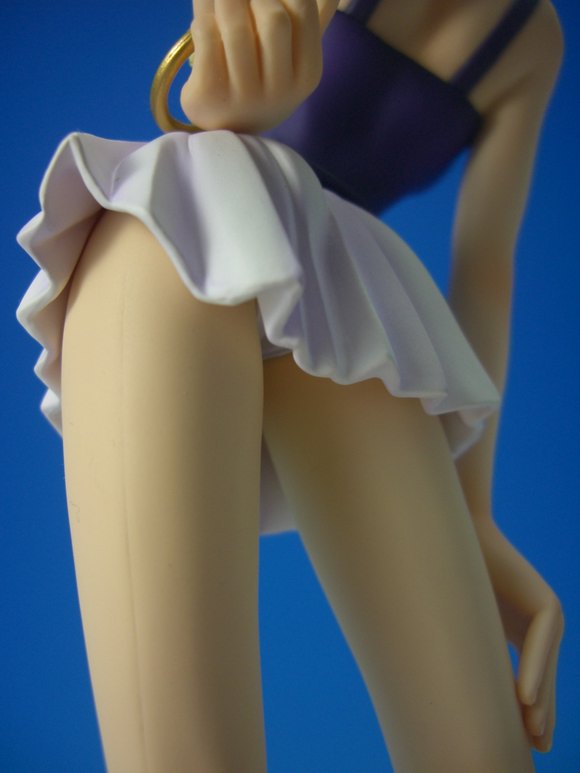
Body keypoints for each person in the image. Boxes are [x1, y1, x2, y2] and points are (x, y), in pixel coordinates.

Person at [16, 0, 564, 770]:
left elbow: (486, 271)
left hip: (348, 300)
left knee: (485, 752)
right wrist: (221, 90)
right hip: (195, 227)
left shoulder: (531, 40)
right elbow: (200, 79)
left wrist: (474, 513)